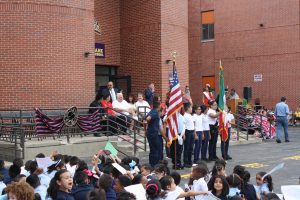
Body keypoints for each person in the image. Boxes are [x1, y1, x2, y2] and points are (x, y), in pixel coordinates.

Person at [146, 100, 161, 167]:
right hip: (154, 134)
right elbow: (148, 118)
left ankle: (151, 164)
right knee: (156, 149)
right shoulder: (155, 113)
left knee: (152, 149)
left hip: (149, 132)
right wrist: (148, 121)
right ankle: (155, 164)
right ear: (159, 106)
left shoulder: (151, 111)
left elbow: (145, 118)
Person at [183, 103, 196, 168]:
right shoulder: (185, 115)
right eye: (191, 107)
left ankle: (189, 161)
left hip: (192, 132)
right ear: (187, 108)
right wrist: (184, 134)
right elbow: (184, 125)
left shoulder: (191, 115)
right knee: (187, 148)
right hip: (187, 132)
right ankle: (185, 162)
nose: (192, 109)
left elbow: (193, 125)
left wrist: (194, 132)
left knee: (191, 148)